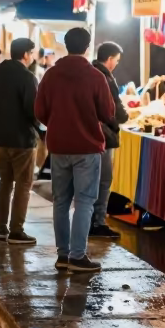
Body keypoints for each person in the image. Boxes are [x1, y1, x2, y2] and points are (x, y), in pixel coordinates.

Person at [34, 26, 115, 274]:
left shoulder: (51, 75)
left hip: (58, 146)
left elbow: (39, 112)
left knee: (61, 201)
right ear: (87, 47)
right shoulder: (95, 77)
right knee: (85, 202)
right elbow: (108, 113)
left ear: (65, 46)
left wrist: (58, 124)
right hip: (87, 147)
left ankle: (62, 255)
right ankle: (78, 256)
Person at [0, 37, 39, 245]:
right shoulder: (27, 77)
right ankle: (17, 230)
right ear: (26, 54)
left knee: (5, 182)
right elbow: (33, 110)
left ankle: (1, 228)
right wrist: (40, 129)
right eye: (32, 53)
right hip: (22, 139)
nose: (32, 57)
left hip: (0, 139)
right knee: (24, 184)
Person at [90, 41, 129, 239]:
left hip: (91, 134)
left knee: (91, 181)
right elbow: (114, 108)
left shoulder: (89, 73)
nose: (116, 64)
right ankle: (97, 223)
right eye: (117, 60)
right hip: (104, 134)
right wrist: (123, 117)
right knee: (104, 180)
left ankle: (90, 221)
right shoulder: (105, 77)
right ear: (110, 58)